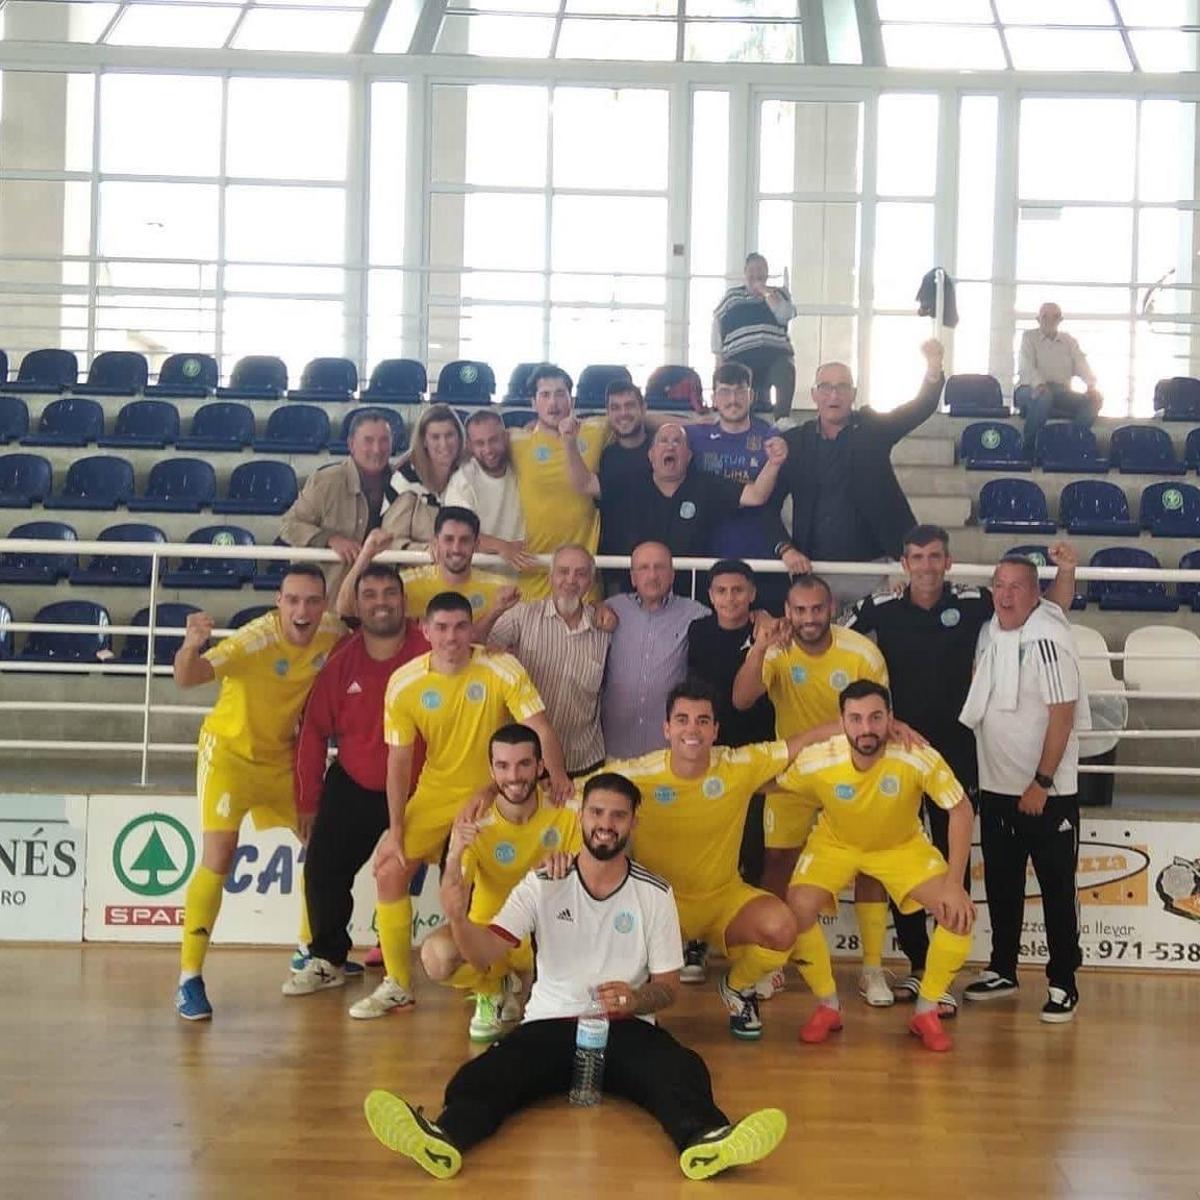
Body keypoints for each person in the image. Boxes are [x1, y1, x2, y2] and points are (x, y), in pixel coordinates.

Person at [363, 771, 788, 1181]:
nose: (606, 824)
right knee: (482, 1077)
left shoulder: (655, 893)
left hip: (625, 1028)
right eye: (597, 813)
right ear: (581, 817)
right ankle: (445, 1138)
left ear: (633, 823)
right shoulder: (543, 881)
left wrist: (636, 1000)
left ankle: (707, 1140)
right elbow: (484, 954)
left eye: (618, 816)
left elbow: (669, 987)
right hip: (550, 1025)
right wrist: (457, 917)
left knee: (681, 1071)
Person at [844, 525, 1078, 1004]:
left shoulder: (977, 603)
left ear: (948, 563)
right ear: (904, 564)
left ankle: (950, 965)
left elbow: (1044, 604)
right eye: (916, 557)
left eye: (935, 556)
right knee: (901, 858)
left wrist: (1067, 571)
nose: (926, 565)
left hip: (961, 757)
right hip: (901, 755)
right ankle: (918, 962)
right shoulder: (880, 607)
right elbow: (827, 635)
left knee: (957, 863)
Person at [351, 591, 571, 1020]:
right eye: (443, 628)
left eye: (460, 627)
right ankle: (398, 983)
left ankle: (500, 976)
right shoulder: (405, 682)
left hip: (498, 789)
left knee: (479, 886)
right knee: (390, 869)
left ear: (472, 629)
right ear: (426, 631)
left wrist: (557, 775)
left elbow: (538, 727)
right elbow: (398, 761)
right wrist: (395, 828)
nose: (452, 637)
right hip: (435, 794)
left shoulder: (499, 666)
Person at [608, 680, 832, 1040]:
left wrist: (875, 725)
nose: (691, 729)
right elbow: (570, 796)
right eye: (682, 720)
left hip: (722, 899)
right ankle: (640, 1005)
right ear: (666, 728)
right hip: (659, 906)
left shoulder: (736, 764)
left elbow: (802, 743)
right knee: (613, 928)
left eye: (702, 720)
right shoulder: (637, 774)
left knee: (782, 927)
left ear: (715, 730)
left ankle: (737, 987)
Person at [172, 564, 344, 1020]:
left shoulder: (332, 632)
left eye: (311, 600)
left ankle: (310, 953)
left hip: (283, 760)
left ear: (322, 605)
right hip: (228, 756)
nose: (302, 610)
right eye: (292, 600)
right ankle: (189, 977)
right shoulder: (254, 640)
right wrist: (191, 647)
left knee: (323, 845)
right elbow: (188, 678)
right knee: (219, 856)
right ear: (278, 603)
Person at [774, 681, 975, 1052]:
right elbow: (769, 780)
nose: (866, 728)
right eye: (855, 718)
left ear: (891, 719)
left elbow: (960, 809)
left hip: (901, 847)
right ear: (842, 722)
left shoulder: (916, 754)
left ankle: (926, 1011)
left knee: (957, 914)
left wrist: (954, 883)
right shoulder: (821, 759)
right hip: (835, 844)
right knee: (797, 909)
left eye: (875, 717)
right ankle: (828, 1006)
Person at [731, 573, 895, 1005]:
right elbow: (741, 699)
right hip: (795, 776)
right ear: (788, 611)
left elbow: (880, 718)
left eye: (817, 609)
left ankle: (872, 969)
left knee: (869, 865)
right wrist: (761, 647)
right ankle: (772, 963)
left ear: (832, 609)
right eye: (799, 610)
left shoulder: (861, 652)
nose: (808, 618)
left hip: (853, 774)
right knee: (778, 861)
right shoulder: (777, 649)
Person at [283, 560, 429, 996]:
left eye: (389, 594)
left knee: (469, 862)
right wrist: (308, 801)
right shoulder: (341, 660)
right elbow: (312, 732)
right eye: (370, 595)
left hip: (424, 788)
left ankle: (478, 967)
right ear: (358, 605)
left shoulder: (429, 649)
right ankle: (327, 958)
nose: (381, 603)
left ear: (403, 601)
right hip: (357, 783)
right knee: (323, 866)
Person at [958, 556, 1089, 1023]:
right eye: (999, 585)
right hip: (996, 789)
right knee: (1002, 884)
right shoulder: (990, 630)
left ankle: (1062, 982)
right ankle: (1003, 969)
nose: (1006, 594)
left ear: (1036, 595)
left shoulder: (1049, 638)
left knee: (1056, 889)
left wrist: (1042, 781)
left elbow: (1062, 714)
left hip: (1046, 793)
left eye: (1017, 587)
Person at [419, 723, 580, 1042]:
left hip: (546, 935)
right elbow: (454, 901)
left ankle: (537, 992)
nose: (514, 776)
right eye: (503, 766)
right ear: (491, 770)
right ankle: (491, 989)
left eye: (523, 764)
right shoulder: (474, 820)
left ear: (541, 766)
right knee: (437, 956)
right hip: (490, 935)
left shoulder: (569, 809)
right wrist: (453, 856)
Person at [775, 339, 945, 611]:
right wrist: (786, 549)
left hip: (873, 569)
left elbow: (920, 407)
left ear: (853, 394)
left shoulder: (873, 428)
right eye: (826, 387)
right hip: (814, 571)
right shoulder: (794, 442)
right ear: (814, 395)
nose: (834, 395)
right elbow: (768, 505)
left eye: (842, 387)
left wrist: (933, 368)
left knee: (872, 650)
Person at [567, 420, 787, 589]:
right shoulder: (629, 482)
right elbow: (584, 483)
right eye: (663, 441)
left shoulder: (706, 485)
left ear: (689, 456)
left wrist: (774, 463)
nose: (670, 447)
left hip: (692, 593)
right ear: (651, 455)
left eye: (677, 441)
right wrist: (568, 442)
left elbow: (756, 495)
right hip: (637, 592)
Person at [685, 559, 776, 927]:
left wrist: (766, 627)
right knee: (705, 847)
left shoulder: (769, 631)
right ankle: (696, 938)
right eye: (721, 591)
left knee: (753, 847)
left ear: (752, 593)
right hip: (710, 754)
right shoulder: (699, 630)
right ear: (710, 595)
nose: (730, 598)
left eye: (738, 590)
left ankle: (749, 932)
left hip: (755, 754)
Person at [687, 362, 810, 612]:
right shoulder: (697, 435)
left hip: (764, 559)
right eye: (724, 392)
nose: (733, 399)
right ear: (714, 398)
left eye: (740, 391)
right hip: (711, 561)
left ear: (751, 396)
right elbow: (659, 427)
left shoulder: (773, 438)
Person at [489, 544, 612, 776]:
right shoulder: (522, 616)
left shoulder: (604, 627)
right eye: (563, 571)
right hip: (528, 761)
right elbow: (474, 646)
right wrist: (495, 610)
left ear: (591, 582)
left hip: (585, 759)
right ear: (550, 577)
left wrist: (601, 606)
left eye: (581, 573)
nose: (571, 580)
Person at [507, 365, 608, 599]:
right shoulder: (515, 440)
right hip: (534, 574)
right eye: (545, 395)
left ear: (571, 399)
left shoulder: (597, 430)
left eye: (560, 394)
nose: (554, 402)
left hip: (583, 579)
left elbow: (639, 416)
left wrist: (702, 420)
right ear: (533, 403)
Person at [600, 541, 708, 760]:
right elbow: (586, 609)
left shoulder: (696, 614)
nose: (652, 575)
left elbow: (733, 623)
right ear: (632, 577)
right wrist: (595, 605)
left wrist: (759, 615)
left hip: (668, 750)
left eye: (659, 567)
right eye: (643, 568)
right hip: (615, 747)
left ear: (672, 574)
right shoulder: (613, 608)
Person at [278, 409, 401, 601]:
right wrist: (330, 539)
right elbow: (288, 525)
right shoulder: (326, 481)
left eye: (384, 440)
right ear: (351, 444)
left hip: (380, 601)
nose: (377, 449)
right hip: (329, 601)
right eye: (368, 441)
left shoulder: (403, 484)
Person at [337, 512, 516, 637]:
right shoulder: (407, 583)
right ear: (435, 542)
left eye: (464, 541)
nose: (456, 548)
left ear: (476, 545)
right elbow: (346, 610)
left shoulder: (501, 588)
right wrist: (367, 554)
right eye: (448, 539)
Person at [444, 409, 535, 574]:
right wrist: (502, 547)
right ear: (470, 446)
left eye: (494, 440)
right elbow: (457, 532)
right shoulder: (463, 480)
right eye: (480, 443)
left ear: (506, 438)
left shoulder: (524, 465)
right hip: (479, 577)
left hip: (529, 576)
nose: (488, 449)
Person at [711, 252, 797, 417]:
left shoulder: (779, 294)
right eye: (752, 269)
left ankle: (782, 419)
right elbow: (717, 324)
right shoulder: (732, 297)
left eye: (761, 268)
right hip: (740, 358)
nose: (756, 273)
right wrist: (718, 358)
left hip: (775, 356)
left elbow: (785, 314)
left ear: (767, 273)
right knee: (739, 385)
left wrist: (764, 292)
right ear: (745, 273)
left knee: (786, 370)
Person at [1016, 302, 1103, 457]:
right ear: (1038, 319)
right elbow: (1026, 365)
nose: (1050, 320)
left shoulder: (1069, 341)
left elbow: (1081, 362)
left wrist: (1090, 385)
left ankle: (1070, 444)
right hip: (1029, 390)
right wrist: (1039, 384)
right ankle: (1028, 448)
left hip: (1061, 393)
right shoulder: (1029, 337)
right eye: (1045, 316)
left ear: (1060, 320)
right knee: (1044, 397)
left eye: (1055, 316)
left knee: (1095, 399)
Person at [387, 403, 468, 550]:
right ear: (424, 441)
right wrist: (426, 550)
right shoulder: (405, 479)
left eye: (449, 435)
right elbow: (390, 542)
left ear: (459, 437)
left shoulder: (468, 473)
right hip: (414, 568)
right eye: (435, 437)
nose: (444, 444)